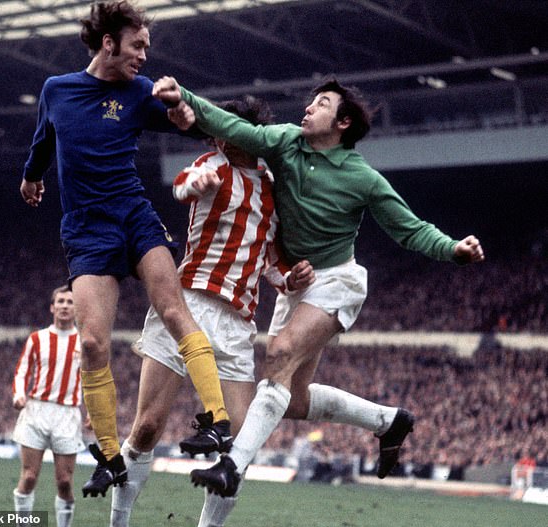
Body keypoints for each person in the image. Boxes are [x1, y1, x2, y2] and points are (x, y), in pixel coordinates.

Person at [152, 75, 485, 499]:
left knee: (279, 354)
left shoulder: (363, 178)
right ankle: (388, 421)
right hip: (297, 285)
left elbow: (409, 229)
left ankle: (232, 465)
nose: (308, 108)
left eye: (321, 103)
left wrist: (452, 248)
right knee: (290, 400)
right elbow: (238, 129)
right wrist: (187, 97)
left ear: (342, 123)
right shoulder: (286, 141)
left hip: (336, 280)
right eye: (311, 101)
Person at [19, 1, 232, 498]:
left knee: (174, 309)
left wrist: (181, 109)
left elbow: (192, 122)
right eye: (138, 45)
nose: (144, 55)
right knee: (92, 343)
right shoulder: (57, 90)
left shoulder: (139, 92)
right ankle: (111, 457)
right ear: (108, 42)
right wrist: (31, 177)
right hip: (86, 231)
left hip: (133, 215)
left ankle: (217, 419)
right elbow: (43, 140)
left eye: (147, 48)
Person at [109, 96, 315, 527]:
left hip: (238, 321)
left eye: (226, 130)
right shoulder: (212, 166)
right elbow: (184, 184)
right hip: (187, 306)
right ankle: (119, 521)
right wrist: (193, 187)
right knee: (147, 427)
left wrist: (288, 279)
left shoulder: (272, 186)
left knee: (239, 444)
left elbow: (271, 260)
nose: (220, 137)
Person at [12, 286, 84, 527]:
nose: (65, 305)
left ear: (76, 308)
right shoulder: (37, 338)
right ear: (52, 307)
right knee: (29, 476)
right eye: (60, 301)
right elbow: (22, 371)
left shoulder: (84, 341)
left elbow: (94, 378)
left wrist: (95, 413)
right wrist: (19, 395)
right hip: (37, 411)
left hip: (68, 414)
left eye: (70, 302)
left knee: (64, 481)